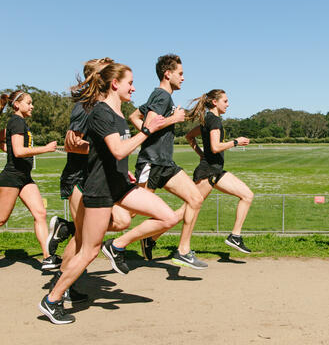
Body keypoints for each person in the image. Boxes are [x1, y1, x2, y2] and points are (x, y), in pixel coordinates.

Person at [39, 62, 178, 324]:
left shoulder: (117, 112)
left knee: (168, 217)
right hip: (100, 189)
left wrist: (124, 172)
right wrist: (148, 130)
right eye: (130, 83)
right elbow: (118, 150)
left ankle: (116, 246)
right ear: (115, 84)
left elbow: (110, 155)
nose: (134, 87)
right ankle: (52, 299)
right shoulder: (101, 112)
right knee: (88, 251)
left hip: (120, 185)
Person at [47, 58, 139, 304]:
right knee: (82, 239)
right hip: (80, 177)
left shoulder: (107, 107)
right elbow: (71, 144)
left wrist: (112, 159)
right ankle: (61, 287)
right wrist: (102, 150)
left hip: (98, 176)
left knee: (120, 220)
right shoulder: (86, 107)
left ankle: (64, 239)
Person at [128, 54, 206, 269]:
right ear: (167, 74)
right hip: (151, 163)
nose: (183, 78)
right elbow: (150, 122)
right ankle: (74, 229)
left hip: (165, 163)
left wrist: (146, 134)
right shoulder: (161, 95)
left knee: (195, 199)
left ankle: (183, 251)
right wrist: (174, 119)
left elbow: (135, 117)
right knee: (128, 213)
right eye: (180, 74)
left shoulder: (160, 97)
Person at [185, 89, 253, 253]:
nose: (228, 104)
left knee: (247, 195)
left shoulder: (206, 120)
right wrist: (235, 142)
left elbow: (189, 136)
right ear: (215, 102)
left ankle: (235, 236)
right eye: (225, 101)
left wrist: (201, 154)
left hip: (216, 171)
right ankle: (151, 237)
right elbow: (215, 147)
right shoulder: (213, 120)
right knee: (186, 211)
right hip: (207, 173)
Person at [0, 91, 60, 269]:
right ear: (17, 105)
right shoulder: (16, 121)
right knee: (1, 219)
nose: (32, 106)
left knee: (40, 213)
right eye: (29, 102)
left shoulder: (19, 123)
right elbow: (18, 151)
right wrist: (46, 149)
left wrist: (7, 148)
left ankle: (48, 257)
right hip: (11, 178)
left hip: (25, 177)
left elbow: (10, 146)